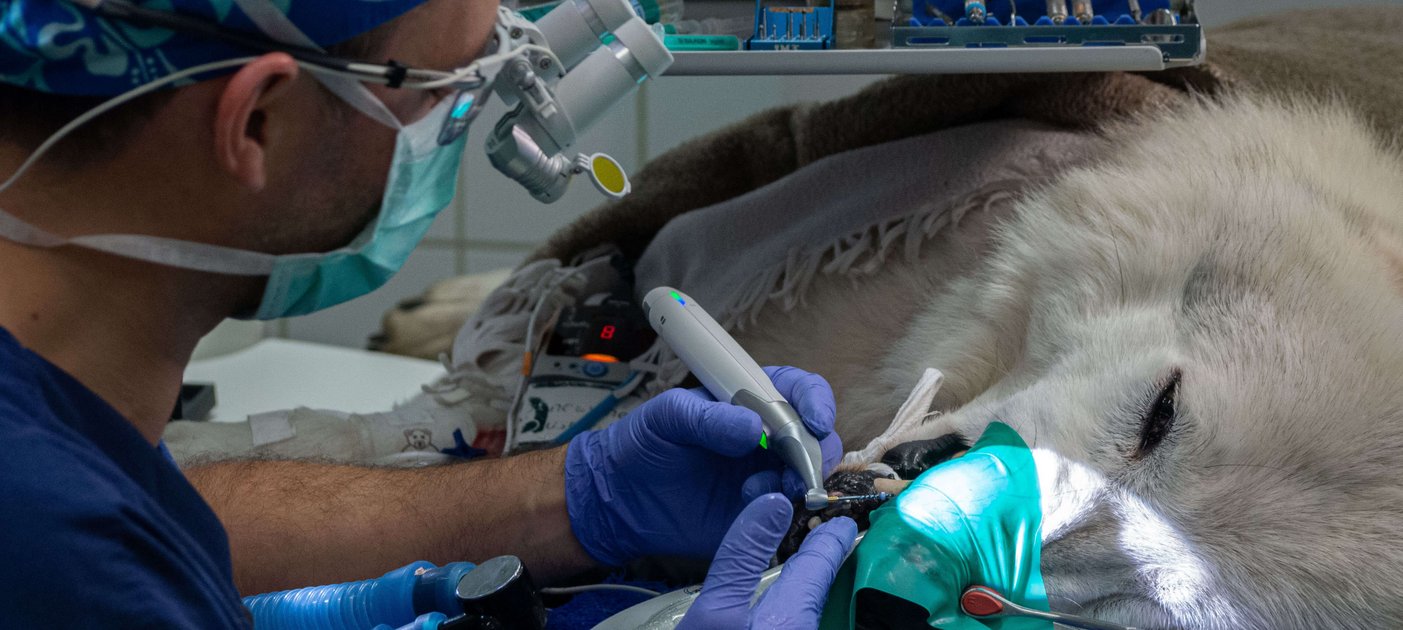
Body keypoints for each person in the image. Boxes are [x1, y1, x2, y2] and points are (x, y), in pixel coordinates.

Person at [0, 0, 857, 627]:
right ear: (256, 123)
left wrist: (569, 497)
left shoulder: (70, 443)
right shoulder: (64, 556)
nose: (458, 132)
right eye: (451, 97)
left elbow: (161, 516)